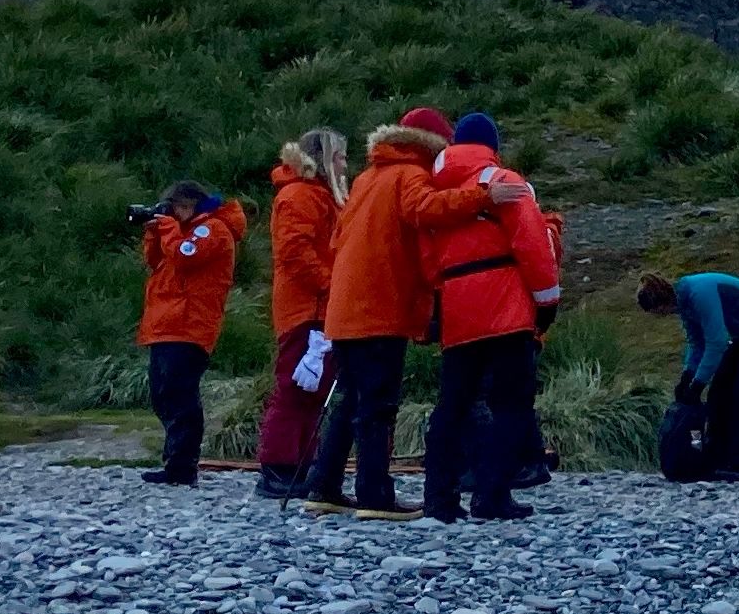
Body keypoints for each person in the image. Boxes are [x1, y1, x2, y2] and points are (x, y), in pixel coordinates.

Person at [309, 110, 492, 515]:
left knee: (350, 401)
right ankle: (375, 495)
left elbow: (339, 239)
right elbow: (425, 209)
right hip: (380, 308)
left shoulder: (367, 177)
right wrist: (483, 197)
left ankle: (324, 487)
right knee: (378, 405)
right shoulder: (410, 173)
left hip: (345, 309)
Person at [418, 114, 560, 524]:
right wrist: (547, 300)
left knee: (453, 405)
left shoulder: (437, 194)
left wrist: (441, 301)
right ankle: (492, 495)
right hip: (506, 308)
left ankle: (439, 498)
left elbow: (427, 257)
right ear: (492, 146)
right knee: (511, 404)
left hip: (458, 308)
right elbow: (533, 244)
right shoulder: (503, 181)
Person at [252, 131, 346, 501]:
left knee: (312, 389)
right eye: (338, 157)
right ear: (322, 159)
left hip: (317, 307)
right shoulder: (300, 196)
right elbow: (295, 252)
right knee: (294, 388)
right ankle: (278, 467)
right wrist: (332, 286)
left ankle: (297, 465)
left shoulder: (317, 195)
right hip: (306, 308)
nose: (344, 164)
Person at [132, 181, 243, 487]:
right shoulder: (181, 231)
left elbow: (185, 256)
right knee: (162, 394)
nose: (174, 212)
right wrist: (154, 232)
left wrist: (168, 228)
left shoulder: (213, 229)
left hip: (190, 325)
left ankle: (182, 466)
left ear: (194, 203)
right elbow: (155, 261)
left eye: (179, 206)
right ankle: (174, 459)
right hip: (166, 325)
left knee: (181, 396)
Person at [644, 269, 739, 480]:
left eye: (659, 313)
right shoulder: (684, 302)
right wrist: (687, 376)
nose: (663, 316)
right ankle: (717, 457)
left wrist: (698, 384)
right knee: (719, 391)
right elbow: (697, 342)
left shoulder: (698, 294)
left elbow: (717, 342)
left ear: (662, 303)